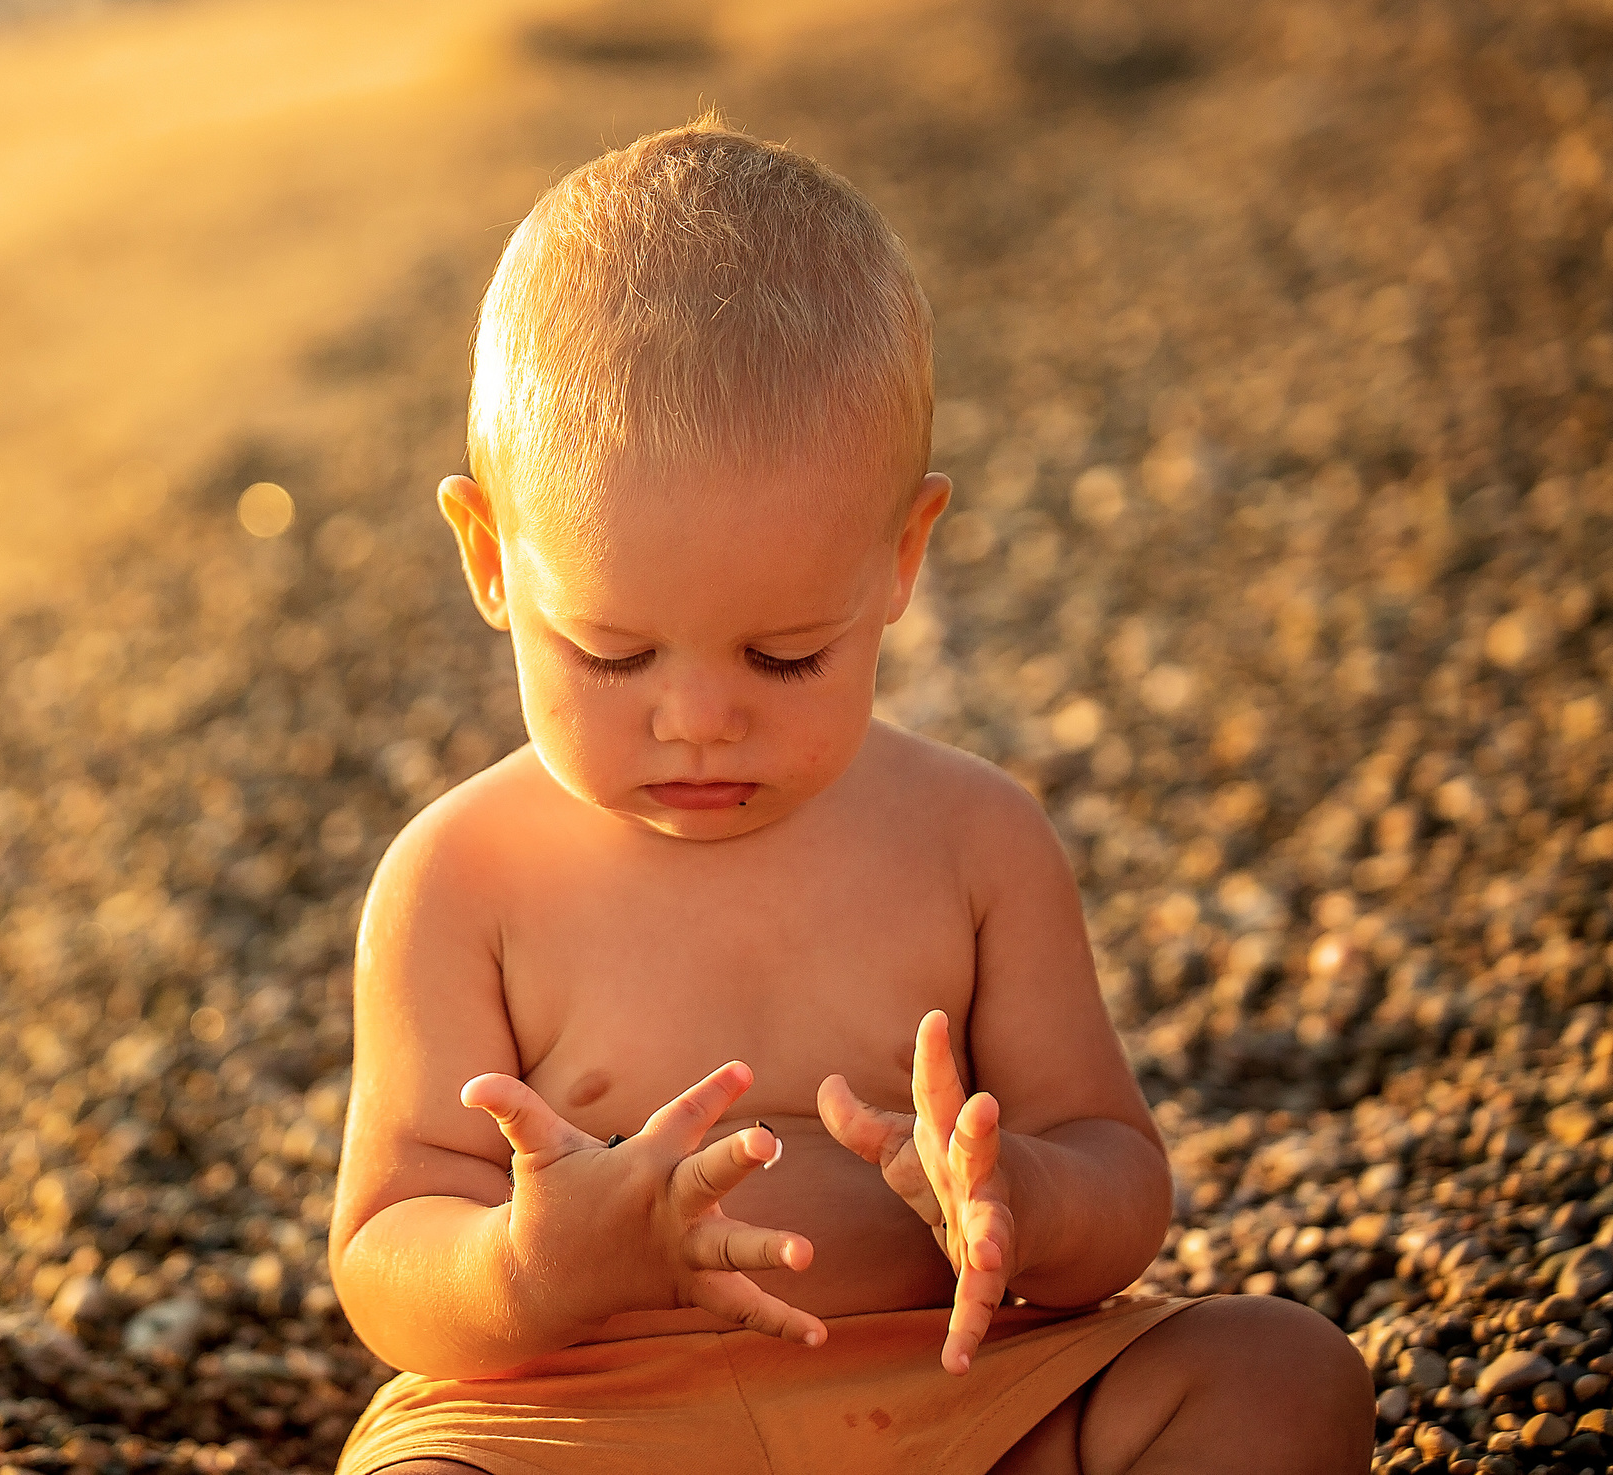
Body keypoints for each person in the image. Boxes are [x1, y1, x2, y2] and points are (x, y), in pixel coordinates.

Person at [326, 121, 1372, 1473]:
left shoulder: (973, 841)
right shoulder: (461, 879)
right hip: (580, 1418)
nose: (698, 717)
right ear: (489, 559)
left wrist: (1021, 1200)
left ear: (900, 558)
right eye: (613, 651)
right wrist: (528, 1262)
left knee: (1277, 1373)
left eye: (785, 655)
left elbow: (1116, 1166)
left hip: (947, 1390)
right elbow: (385, 1251)